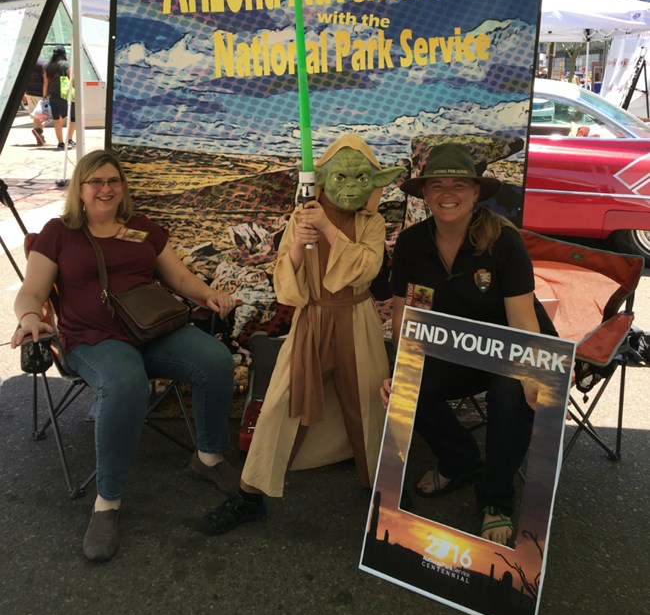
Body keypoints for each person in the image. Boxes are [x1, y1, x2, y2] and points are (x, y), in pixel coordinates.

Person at [12, 149, 239, 562]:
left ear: (123, 187)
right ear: (80, 189)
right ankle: (107, 503)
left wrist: (209, 294)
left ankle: (208, 457)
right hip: (94, 340)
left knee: (215, 360)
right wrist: (29, 316)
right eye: (95, 181)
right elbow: (32, 290)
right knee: (125, 383)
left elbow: (180, 277)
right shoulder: (58, 232)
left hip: (153, 330)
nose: (105, 188)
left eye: (113, 180)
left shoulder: (142, 229)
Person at [201, 134, 402, 535]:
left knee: (368, 406)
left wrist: (327, 229)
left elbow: (366, 268)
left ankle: (384, 492)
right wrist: (297, 248)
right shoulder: (301, 218)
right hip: (312, 320)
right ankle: (249, 494)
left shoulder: (372, 222)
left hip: (356, 319)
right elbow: (285, 282)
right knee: (279, 404)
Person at [380, 142, 556, 546]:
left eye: (458, 184)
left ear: (476, 193)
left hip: (510, 348)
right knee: (405, 389)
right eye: (436, 184)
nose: (447, 193)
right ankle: (460, 460)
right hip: (454, 352)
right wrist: (399, 370)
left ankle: (496, 499)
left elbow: (523, 320)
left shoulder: (503, 242)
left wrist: (532, 375)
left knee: (513, 392)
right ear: (424, 194)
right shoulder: (411, 244)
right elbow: (405, 314)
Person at [44, 46, 76, 150]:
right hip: (67, 93)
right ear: (64, 54)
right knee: (73, 117)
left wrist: (44, 96)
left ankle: (60, 142)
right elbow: (72, 79)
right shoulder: (66, 64)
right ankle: (70, 139)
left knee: (57, 119)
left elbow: (46, 82)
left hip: (53, 94)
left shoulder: (47, 65)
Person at [23, 57, 48, 145]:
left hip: (30, 93)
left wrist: (23, 93)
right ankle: (38, 130)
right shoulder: (42, 63)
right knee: (48, 117)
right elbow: (45, 80)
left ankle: (39, 138)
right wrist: (45, 94)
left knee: (36, 117)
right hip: (41, 93)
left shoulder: (26, 63)